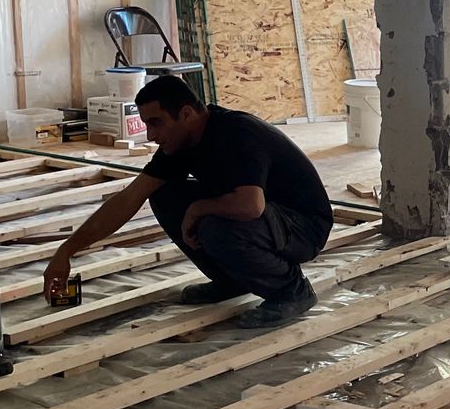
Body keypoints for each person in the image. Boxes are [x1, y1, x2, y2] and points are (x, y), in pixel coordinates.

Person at [43, 75, 334, 327]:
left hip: (303, 227)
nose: (151, 135)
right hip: (268, 220)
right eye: (146, 125)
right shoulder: (181, 143)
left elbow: (250, 206)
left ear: (185, 114)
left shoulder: (237, 134)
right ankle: (231, 280)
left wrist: (198, 209)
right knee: (164, 194)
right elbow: (129, 198)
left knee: (216, 226)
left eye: (156, 123)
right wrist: (66, 251)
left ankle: (291, 290)